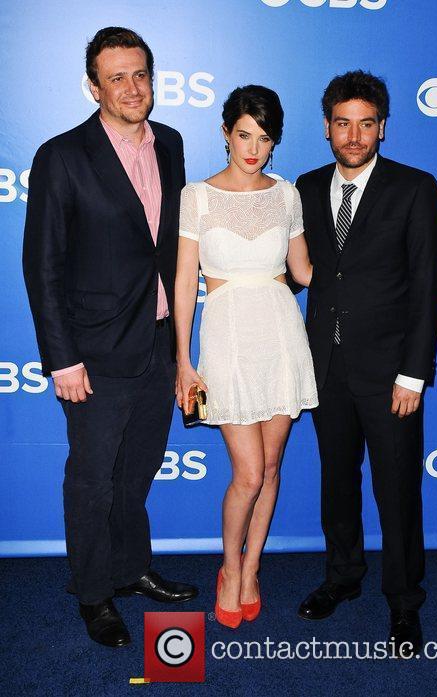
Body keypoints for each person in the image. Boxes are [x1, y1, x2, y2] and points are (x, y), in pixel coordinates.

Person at [22, 27, 198, 649]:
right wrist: (61, 358)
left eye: (140, 74)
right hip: (93, 351)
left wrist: (181, 350)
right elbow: (41, 266)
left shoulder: (172, 144)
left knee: (140, 468)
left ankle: (133, 567)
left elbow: (173, 248)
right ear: (93, 86)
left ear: (153, 78)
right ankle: (94, 593)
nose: (131, 87)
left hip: (156, 340)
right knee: (93, 478)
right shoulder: (62, 156)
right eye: (116, 76)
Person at [296, 70, 437, 657]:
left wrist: (413, 375)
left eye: (365, 123)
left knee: (397, 490)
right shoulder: (307, 188)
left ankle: (405, 604)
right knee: (337, 484)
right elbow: (302, 270)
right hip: (325, 369)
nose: (354, 135)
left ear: (382, 127)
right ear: (328, 128)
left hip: (391, 377)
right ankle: (343, 576)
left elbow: (427, 288)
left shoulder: (416, 189)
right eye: (342, 123)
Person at [175, 85, 318, 628]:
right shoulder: (198, 196)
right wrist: (184, 361)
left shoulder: (287, 195)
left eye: (264, 138)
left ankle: (252, 568)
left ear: (275, 141)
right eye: (244, 135)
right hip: (227, 336)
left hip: (281, 333)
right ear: (225, 133)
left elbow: (304, 272)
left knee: (273, 466)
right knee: (248, 473)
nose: (253, 148)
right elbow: (186, 281)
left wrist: (370, 267)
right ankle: (228, 568)